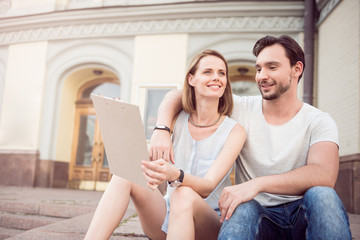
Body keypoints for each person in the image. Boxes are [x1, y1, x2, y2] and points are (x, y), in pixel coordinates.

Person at [150, 35, 352, 239]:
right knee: (242, 207)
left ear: (297, 69)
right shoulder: (240, 108)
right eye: (258, 69)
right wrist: (162, 129)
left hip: (303, 215)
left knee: (322, 195)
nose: (262, 76)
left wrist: (256, 184)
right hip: (258, 217)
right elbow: (179, 95)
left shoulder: (319, 121)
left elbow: (324, 174)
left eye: (272, 67)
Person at [84, 49, 246, 240]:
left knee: (183, 194)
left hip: (208, 224)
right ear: (191, 79)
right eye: (208, 72)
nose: (216, 77)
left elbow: (208, 186)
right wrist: (121, 126)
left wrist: (175, 174)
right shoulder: (175, 120)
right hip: (166, 218)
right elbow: (151, 160)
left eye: (222, 73)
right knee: (124, 175)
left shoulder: (235, 131)